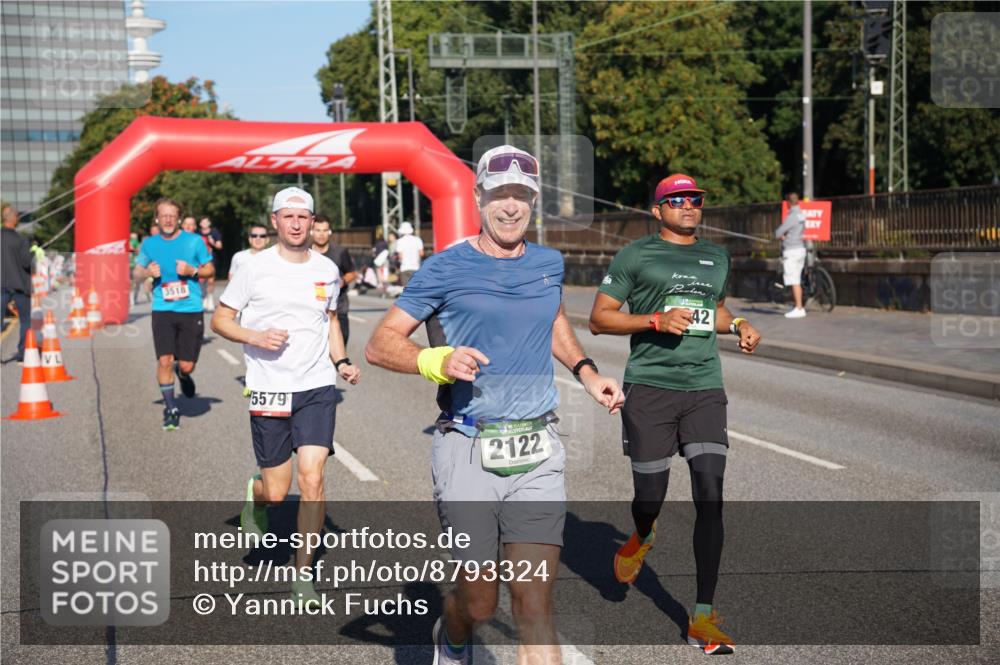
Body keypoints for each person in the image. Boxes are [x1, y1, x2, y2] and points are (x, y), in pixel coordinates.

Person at [366, 145, 624, 665]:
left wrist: (587, 372)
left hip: (537, 450)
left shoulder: (549, 263)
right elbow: (380, 343)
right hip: (467, 444)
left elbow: (552, 321)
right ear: (479, 196)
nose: (511, 206)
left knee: (534, 604)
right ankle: (452, 632)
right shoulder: (445, 268)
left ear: (534, 201)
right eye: (499, 194)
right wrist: (435, 359)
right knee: (479, 601)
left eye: (521, 195)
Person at [588, 173, 761, 656]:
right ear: (657, 209)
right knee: (650, 495)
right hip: (650, 390)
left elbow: (717, 309)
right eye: (678, 199)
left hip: (704, 388)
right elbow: (599, 318)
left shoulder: (718, 256)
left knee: (711, 494)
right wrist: (654, 320)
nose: (689, 205)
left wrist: (741, 323)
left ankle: (702, 617)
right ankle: (642, 535)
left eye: (696, 199)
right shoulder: (636, 255)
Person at [211, 186, 360, 607]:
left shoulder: (328, 269)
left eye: (304, 217)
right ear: (275, 220)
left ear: (313, 223)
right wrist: (254, 335)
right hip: (270, 386)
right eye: (288, 217)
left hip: (316, 387)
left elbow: (329, 320)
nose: (296, 224)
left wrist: (342, 360)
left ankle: (302, 575)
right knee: (278, 491)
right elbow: (220, 320)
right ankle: (255, 496)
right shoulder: (252, 269)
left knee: (312, 478)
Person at [134, 198, 214, 431]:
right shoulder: (149, 244)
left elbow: (210, 269)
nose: (167, 219)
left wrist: (193, 270)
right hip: (162, 309)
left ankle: (184, 374)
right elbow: (137, 273)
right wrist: (147, 272)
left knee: (187, 365)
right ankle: (171, 408)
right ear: (157, 219)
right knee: (164, 360)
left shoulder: (194, 241)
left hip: (190, 309)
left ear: (178, 218)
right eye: (163, 215)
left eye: (172, 215)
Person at [310, 214, 357, 346]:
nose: (321, 234)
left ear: (329, 232)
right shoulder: (305, 251)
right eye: (318, 230)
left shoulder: (340, 251)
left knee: (342, 343)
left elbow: (352, 273)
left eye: (325, 230)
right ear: (312, 231)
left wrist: (341, 281)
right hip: (314, 310)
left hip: (338, 308)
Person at [1, 205, 33, 363]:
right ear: (13, 219)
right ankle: (22, 354)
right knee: (26, 320)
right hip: (20, 285)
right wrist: (32, 252)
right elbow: (27, 263)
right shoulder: (21, 240)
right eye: (18, 216)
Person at [774, 192, 807, 318]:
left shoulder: (792, 215)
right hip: (800, 248)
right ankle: (799, 306)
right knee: (797, 278)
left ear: (788, 202)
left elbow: (778, 232)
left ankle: (799, 307)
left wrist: (782, 236)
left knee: (794, 280)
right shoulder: (801, 214)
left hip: (791, 250)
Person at [199, 217, 223, 312]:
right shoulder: (197, 233)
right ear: (200, 223)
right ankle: (203, 299)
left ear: (209, 223)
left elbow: (220, 246)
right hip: (199, 261)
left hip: (211, 259)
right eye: (203, 221)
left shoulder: (214, 232)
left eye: (206, 221)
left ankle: (210, 299)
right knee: (200, 281)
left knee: (210, 280)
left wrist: (212, 242)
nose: (204, 223)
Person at [394, 221, 425, 287]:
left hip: (404, 268)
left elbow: (400, 256)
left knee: (406, 289)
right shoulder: (417, 240)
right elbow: (421, 254)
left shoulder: (400, 241)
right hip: (416, 267)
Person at [129, 231, 144, 305]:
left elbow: (138, 251)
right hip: (130, 265)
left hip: (133, 264)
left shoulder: (133, 242)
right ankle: (131, 298)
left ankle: (133, 298)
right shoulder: (132, 242)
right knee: (132, 282)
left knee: (134, 282)